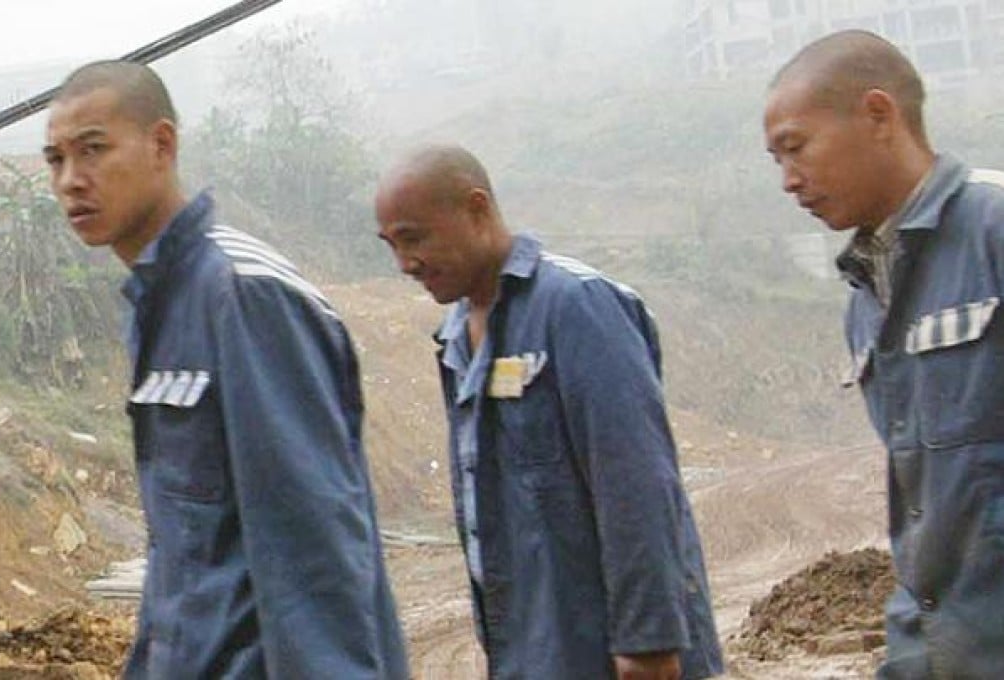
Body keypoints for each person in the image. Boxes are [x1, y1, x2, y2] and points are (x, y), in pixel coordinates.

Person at [43, 60, 408, 679]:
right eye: (56, 160)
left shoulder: (243, 295)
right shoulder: (159, 303)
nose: (72, 180)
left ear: (162, 145)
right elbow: (185, 554)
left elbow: (313, 545)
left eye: (93, 150)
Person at [374, 144, 723, 680]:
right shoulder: (454, 340)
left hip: (617, 654)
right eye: (391, 245)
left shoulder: (578, 307)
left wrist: (648, 640)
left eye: (414, 237)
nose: (404, 264)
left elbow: (635, 483)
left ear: (477, 208)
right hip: (532, 651)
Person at [765, 30, 1004, 677]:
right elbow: (923, 516)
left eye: (796, 147)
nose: (788, 180)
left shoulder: (993, 229)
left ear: (878, 116)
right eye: (775, 160)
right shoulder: (867, 298)